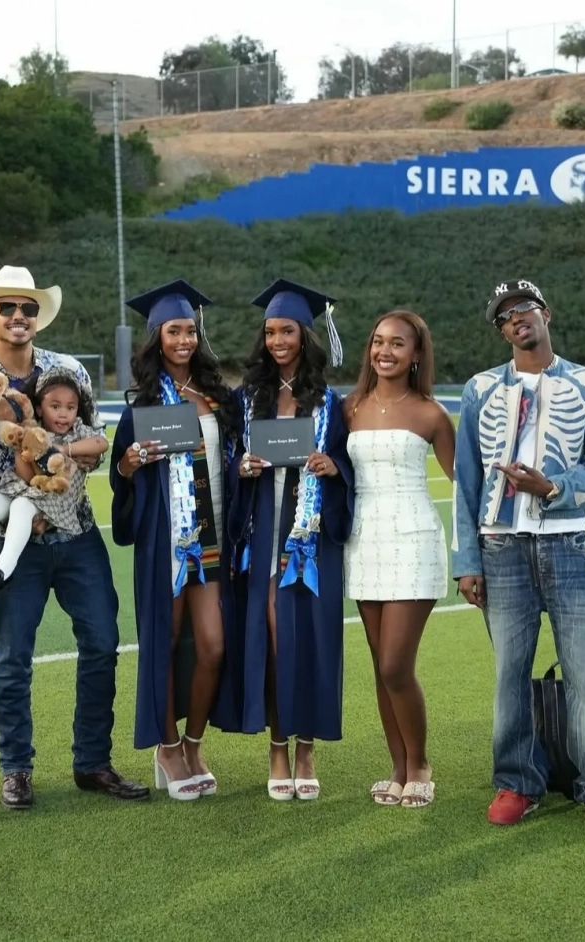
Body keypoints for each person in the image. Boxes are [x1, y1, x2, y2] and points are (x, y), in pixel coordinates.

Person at [0, 265, 148, 809]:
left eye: (28, 307)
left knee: (102, 644)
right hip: (20, 546)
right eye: (8, 307)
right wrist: (22, 505)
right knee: (13, 656)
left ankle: (92, 762)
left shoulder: (70, 372)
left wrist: (62, 462)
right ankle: (16, 769)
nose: (19, 316)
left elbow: (95, 440)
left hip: (78, 530)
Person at [453, 279, 585, 836]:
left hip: (568, 545)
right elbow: (466, 481)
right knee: (510, 675)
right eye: (504, 316)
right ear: (502, 330)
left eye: (524, 308)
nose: (516, 319)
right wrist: (467, 560)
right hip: (500, 548)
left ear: (545, 314)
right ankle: (517, 781)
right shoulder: (481, 388)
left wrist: (552, 487)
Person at [110, 280, 240, 800]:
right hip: (166, 540)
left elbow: (235, 457)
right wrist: (128, 464)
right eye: (173, 331)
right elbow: (122, 473)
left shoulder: (219, 399)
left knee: (213, 645)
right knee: (164, 641)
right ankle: (166, 748)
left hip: (212, 536)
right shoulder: (142, 406)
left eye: (190, 330)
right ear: (156, 338)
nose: (184, 340)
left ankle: (193, 742)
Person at [231, 279, 353, 801]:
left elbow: (348, 463)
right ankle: (278, 746)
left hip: (311, 537)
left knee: (310, 641)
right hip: (262, 529)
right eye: (270, 332)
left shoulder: (330, 403)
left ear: (305, 335)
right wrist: (242, 467)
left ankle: (306, 749)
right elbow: (226, 461)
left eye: (287, 331)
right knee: (276, 638)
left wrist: (333, 466)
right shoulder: (246, 399)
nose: (278, 340)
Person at [343, 311, 454, 808]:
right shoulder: (349, 408)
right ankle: (397, 767)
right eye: (378, 341)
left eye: (397, 344)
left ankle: (420, 763)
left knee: (395, 664)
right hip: (364, 542)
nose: (384, 351)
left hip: (413, 542)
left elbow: (465, 486)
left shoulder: (432, 414)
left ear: (416, 354)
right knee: (378, 663)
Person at [0, 367, 109, 595]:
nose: (63, 414)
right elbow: (28, 478)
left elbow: (101, 443)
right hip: (29, 486)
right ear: (40, 408)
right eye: (55, 407)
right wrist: (20, 447)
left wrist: (64, 449)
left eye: (70, 408)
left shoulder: (77, 430)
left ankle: (2, 571)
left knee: (21, 506)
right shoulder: (33, 431)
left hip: (56, 497)